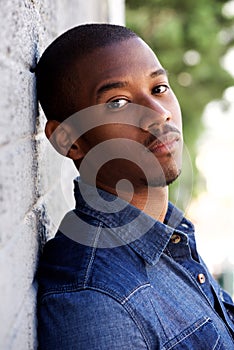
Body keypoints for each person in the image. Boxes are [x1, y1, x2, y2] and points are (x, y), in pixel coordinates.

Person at [36, 23, 234, 349]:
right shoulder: (97, 303)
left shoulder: (170, 236)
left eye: (159, 89)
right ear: (69, 140)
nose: (159, 115)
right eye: (118, 102)